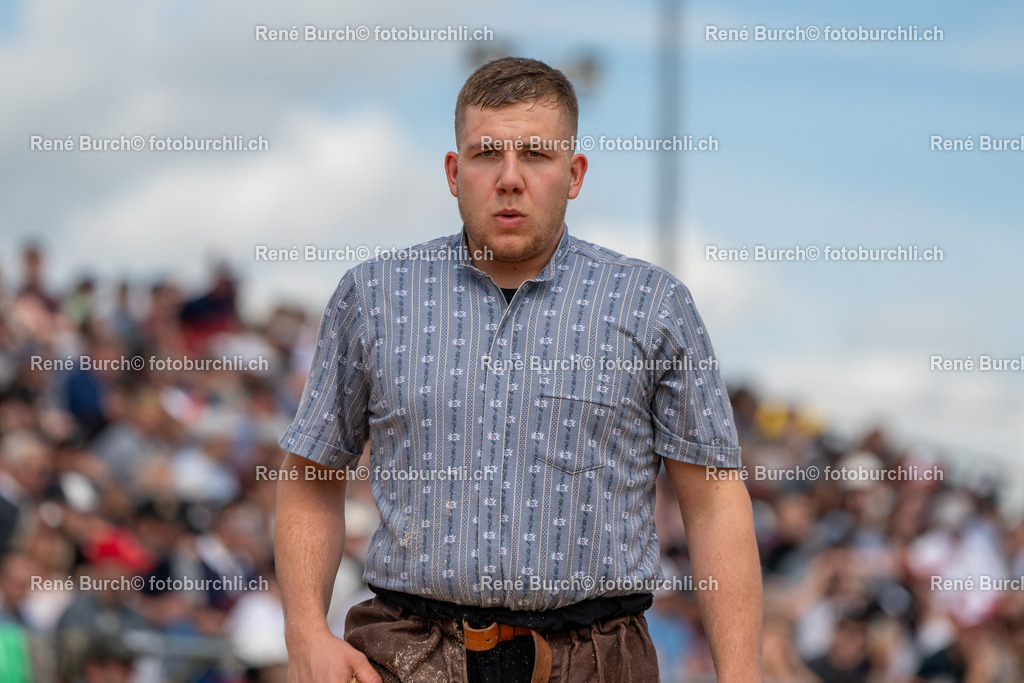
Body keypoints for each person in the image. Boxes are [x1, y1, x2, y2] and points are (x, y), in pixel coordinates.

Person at [275, 56, 762, 683]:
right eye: (486, 154)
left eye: (535, 154)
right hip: (407, 655)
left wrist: (741, 675)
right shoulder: (374, 296)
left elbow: (715, 500)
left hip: (598, 662)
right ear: (454, 173)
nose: (510, 178)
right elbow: (312, 473)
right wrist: (305, 634)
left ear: (574, 174)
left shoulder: (651, 305)